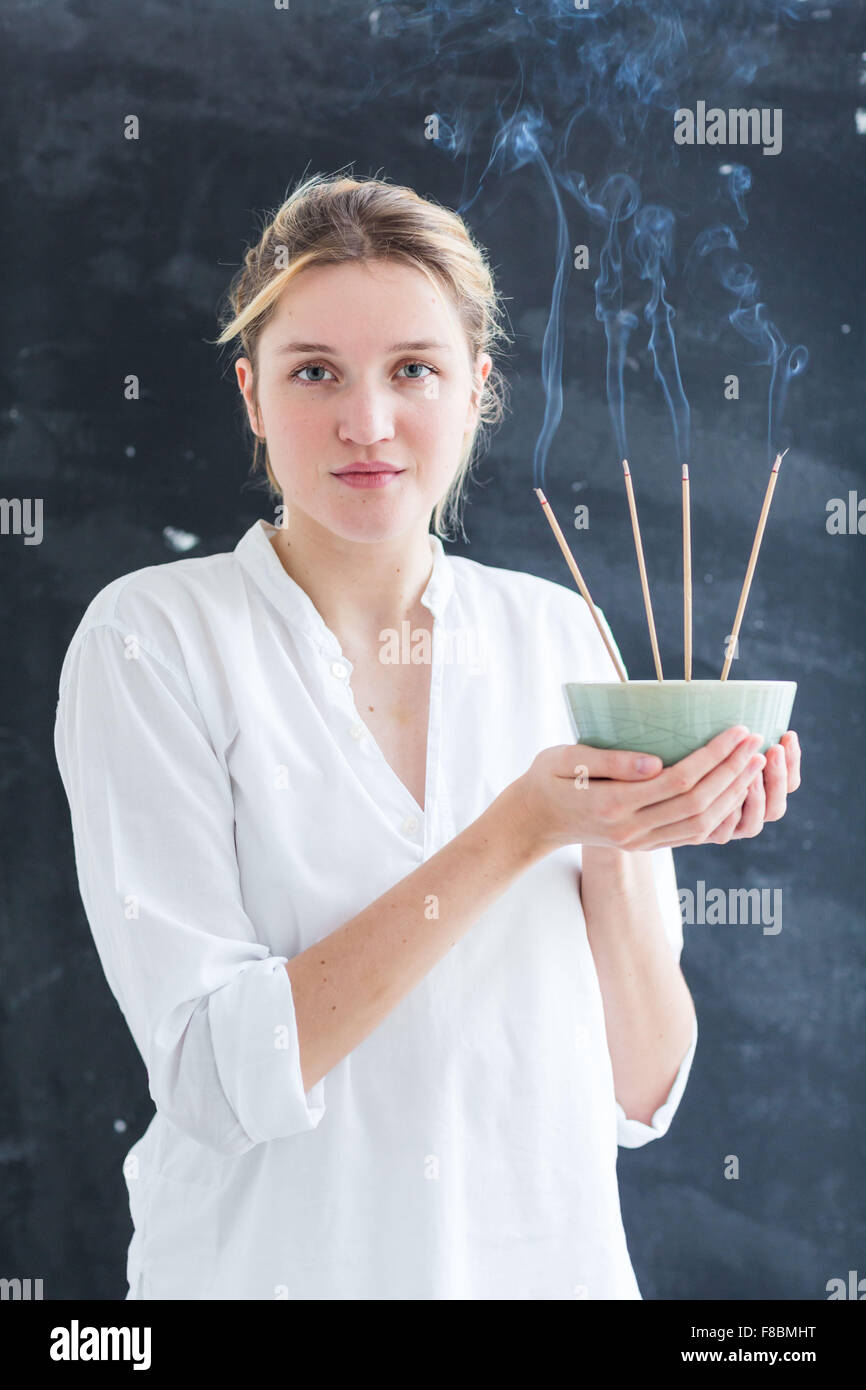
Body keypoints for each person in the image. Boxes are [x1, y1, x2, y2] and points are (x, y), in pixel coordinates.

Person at [53, 171, 801, 1300]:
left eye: (413, 369)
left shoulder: (556, 633)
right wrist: (523, 825)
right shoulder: (151, 639)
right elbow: (214, 1077)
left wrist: (617, 836)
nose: (367, 421)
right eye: (316, 372)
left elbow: (643, 1093)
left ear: (474, 392)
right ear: (251, 396)